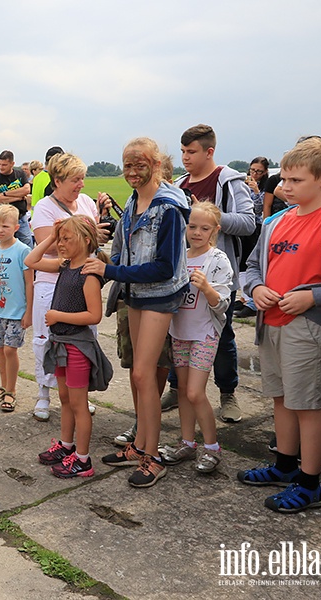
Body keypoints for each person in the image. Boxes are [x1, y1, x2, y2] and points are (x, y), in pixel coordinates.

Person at [237, 138, 321, 513]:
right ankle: (284, 465)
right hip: (271, 321)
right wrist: (256, 287)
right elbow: (251, 268)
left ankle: (310, 484)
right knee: (281, 399)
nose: (285, 187)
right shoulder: (275, 221)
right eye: (285, 180)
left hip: (307, 327)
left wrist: (314, 298)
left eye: (295, 180)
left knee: (308, 406)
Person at [84, 137, 190, 489]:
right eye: (127, 164)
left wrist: (110, 272)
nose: (131, 171)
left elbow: (165, 267)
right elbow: (125, 251)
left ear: (156, 164)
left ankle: (153, 457)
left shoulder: (168, 208)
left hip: (159, 295)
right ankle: (140, 445)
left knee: (145, 375)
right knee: (137, 376)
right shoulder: (133, 201)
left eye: (138, 164)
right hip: (136, 295)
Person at [163, 124, 254, 423]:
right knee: (179, 329)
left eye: (191, 152)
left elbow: (248, 222)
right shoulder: (179, 183)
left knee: (223, 333)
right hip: (183, 271)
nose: (185, 158)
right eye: (183, 151)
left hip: (217, 272)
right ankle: (177, 389)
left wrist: (208, 216)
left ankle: (228, 394)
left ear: (209, 151)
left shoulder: (229, 180)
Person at [27, 216, 112, 478]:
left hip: (76, 347)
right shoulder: (65, 266)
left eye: (67, 239)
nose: (61, 244)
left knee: (78, 404)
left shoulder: (88, 274)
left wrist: (58, 316)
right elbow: (30, 262)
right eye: (60, 239)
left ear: (86, 240)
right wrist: (52, 237)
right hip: (61, 345)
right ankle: (66, 446)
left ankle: (83, 460)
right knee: (64, 399)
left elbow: (93, 316)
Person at [158, 203, 233, 474]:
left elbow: (222, 303)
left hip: (204, 334)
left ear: (215, 230)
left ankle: (212, 447)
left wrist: (207, 288)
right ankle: (187, 443)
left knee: (194, 392)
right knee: (184, 393)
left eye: (204, 228)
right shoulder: (180, 256)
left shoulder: (218, 260)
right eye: (192, 226)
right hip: (180, 334)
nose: (197, 232)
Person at [28, 153, 100, 422]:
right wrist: (73, 258)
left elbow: (94, 239)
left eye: (82, 178)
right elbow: (48, 249)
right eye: (75, 179)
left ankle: (80, 394)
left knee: (83, 339)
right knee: (46, 340)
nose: (81, 184)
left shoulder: (86, 202)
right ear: (57, 180)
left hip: (83, 282)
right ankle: (44, 394)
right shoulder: (44, 208)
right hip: (51, 283)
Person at [0, 205, 33, 412]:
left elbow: (30, 282)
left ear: (16, 227)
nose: (0, 230)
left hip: (17, 312)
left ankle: (12, 390)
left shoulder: (23, 251)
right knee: (1, 350)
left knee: (11, 350)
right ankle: (3, 386)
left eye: (5, 226)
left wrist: (29, 311)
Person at [234, 157, 271, 318]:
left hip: (255, 228)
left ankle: (251, 302)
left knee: (251, 263)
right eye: (252, 170)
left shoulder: (265, 187)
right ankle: (244, 298)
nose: (254, 174)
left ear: (265, 173)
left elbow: (259, 210)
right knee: (241, 264)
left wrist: (256, 191)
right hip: (242, 228)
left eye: (259, 171)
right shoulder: (241, 184)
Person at [0, 150, 33, 248]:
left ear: (12, 164)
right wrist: (17, 197)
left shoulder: (20, 174)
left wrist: (4, 194)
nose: (1, 167)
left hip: (20, 218)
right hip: (3, 220)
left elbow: (26, 190)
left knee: (27, 243)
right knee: (3, 246)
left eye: (4, 165)